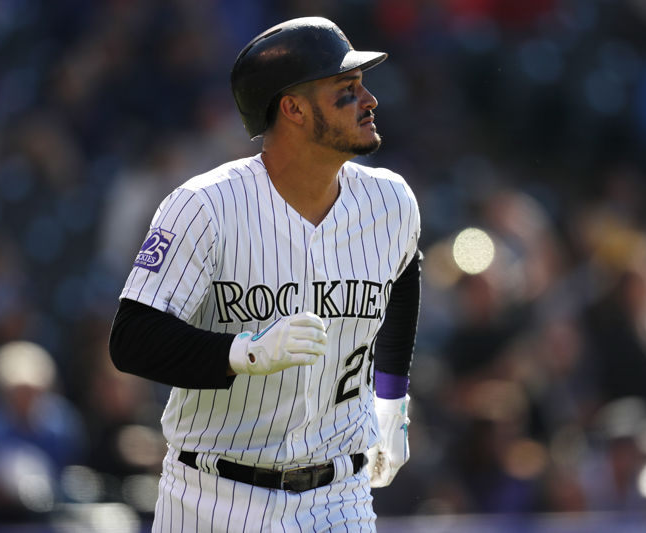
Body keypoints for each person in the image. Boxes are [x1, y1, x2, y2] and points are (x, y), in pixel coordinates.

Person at [109, 17, 422, 532]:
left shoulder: (391, 201)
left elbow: (404, 277)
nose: (369, 100)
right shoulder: (203, 205)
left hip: (338, 497)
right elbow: (132, 340)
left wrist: (391, 398)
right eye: (347, 90)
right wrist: (242, 352)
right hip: (211, 495)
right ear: (293, 108)